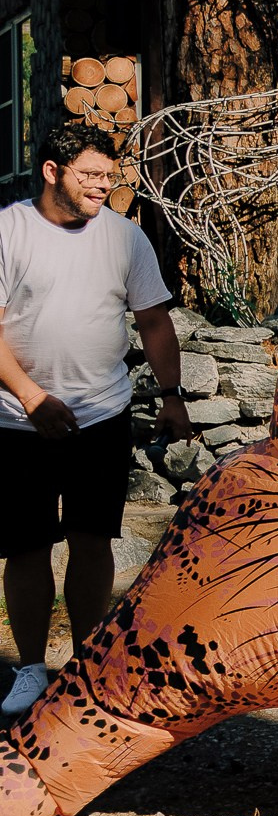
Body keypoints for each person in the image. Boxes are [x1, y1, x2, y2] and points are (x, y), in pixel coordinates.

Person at [0, 126, 188, 720]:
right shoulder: (9, 230)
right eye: (91, 176)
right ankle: (31, 668)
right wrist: (31, 398)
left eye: (110, 177)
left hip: (101, 415)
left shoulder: (125, 238)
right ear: (53, 171)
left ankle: (86, 665)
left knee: (92, 540)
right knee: (26, 549)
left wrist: (172, 395)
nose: (104, 187)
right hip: (17, 421)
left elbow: (154, 322)